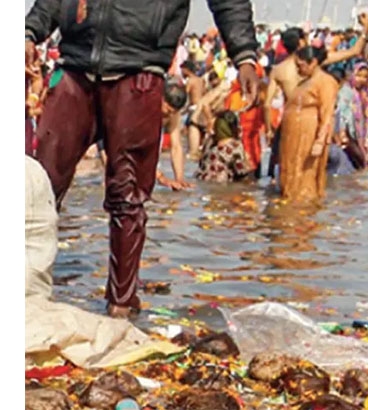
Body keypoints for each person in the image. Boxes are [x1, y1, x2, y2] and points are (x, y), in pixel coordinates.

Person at [26, 0, 260, 319]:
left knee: (128, 193)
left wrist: (244, 54)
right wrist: (29, 31)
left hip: (140, 70)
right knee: (36, 187)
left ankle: (120, 306)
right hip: (74, 65)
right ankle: (21, 292)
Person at [265, 14, 368, 181]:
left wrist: (269, 130)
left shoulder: (278, 70)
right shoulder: (314, 62)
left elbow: (266, 104)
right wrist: (366, 29)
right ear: (301, 42)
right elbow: (354, 51)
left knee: (279, 174)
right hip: (313, 124)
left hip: (289, 122)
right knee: (315, 175)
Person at [279, 46, 339, 202]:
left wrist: (320, 141)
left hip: (309, 135)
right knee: (291, 173)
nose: (298, 70)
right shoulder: (304, 82)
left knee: (306, 176)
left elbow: (327, 113)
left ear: (313, 62)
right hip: (292, 137)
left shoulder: (326, 82)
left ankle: (306, 211)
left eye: (301, 66)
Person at [329, 63, 368, 174]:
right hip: (348, 135)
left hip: (358, 135)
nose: (361, 79)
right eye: (358, 75)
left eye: (365, 77)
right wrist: (342, 132)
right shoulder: (346, 92)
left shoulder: (363, 94)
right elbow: (342, 112)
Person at [195, 110, 254, 182]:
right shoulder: (235, 146)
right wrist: (247, 163)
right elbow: (241, 173)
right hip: (222, 185)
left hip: (202, 180)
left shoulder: (209, 142)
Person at [181, 60, 206, 158]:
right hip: (202, 107)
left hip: (194, 109)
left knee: (192, 129)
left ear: (187, 70)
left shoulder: (190, 81)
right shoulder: (201, 80)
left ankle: (193, 151)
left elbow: (184, 96)